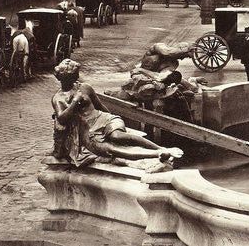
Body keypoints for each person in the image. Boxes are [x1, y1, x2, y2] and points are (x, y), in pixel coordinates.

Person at [52, 59, 182, 171]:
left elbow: (100, 107)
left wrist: (112, 120)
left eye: (77, 76)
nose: (77, 79)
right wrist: (75, 102)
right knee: (111, 149)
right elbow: (62, 119)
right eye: (74, 76)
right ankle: (156, 154)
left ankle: (161, 148)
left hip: (103, 119)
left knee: (117, 136)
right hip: (89, 131)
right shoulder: (58, 98)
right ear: (65, 78)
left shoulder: (85, 87)